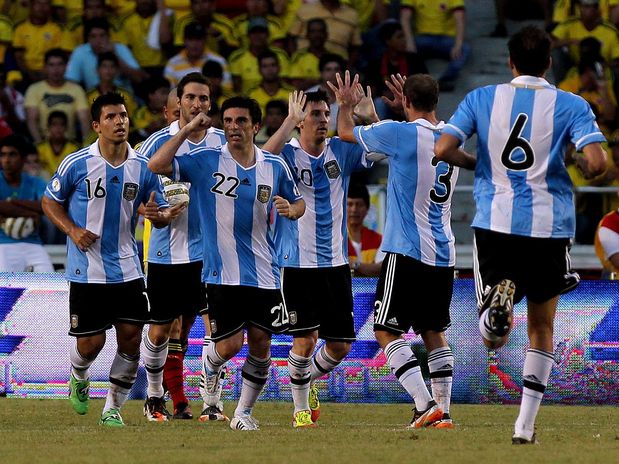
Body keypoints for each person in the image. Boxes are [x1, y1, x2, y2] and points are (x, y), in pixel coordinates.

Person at [434, 25, 607, 443]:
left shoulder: (481, 97)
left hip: (496, 221)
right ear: (550, 62)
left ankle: (494, 316)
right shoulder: (571, 104)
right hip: (549, 225)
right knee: (542, 327)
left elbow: (442, 149)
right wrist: (580, 165)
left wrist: (481, 163)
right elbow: (598, 163)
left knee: (493, 340)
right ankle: (524, 427)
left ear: (510, 62)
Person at [148, 96, 305, 431]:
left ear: (256, 126)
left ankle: (243, 413)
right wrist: (187, 128)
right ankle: (210, 365)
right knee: (230, 345)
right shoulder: (205, 160)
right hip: (220, 272)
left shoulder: (273, 166)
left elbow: (299, 201)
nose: (234, 127)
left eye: (242, 121)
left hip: (265, 271)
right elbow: (156, 165)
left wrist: (292, 211)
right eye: (229, 121)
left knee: (262, 343)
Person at [41, 92, 183, 427]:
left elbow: (161, 213)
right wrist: (73, 230)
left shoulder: (142, 167)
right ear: (96, 125)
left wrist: (157, 214)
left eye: (123, 115)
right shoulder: (77, 163)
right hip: (87, 269)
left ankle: (112, 409)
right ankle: (79, 374)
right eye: (111, 117)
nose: (119, 122)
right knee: (91, 344)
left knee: (131, 336)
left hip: (128, 269)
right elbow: (49, 202)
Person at [334, 71, 457, 429]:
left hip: (406, 250)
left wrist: (345, 105)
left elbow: (345, 133)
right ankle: (444, 412)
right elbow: (405, 146)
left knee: (386, 330)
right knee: (434, 331)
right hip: (443, 252)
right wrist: (387, 115)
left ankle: (424, 404)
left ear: (405, 102)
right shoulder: (450, 136)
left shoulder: (401, 132)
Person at [263, 89, 372, 427]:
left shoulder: (341, 150)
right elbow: (260, 160)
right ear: (301, 121)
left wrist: (366, 118)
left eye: (326, 113)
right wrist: (288, 123)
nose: (323, 119)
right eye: (315, 114)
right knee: (305, 339)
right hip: (296, 263)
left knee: (340, 345)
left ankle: (304, 380)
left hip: (336, 265)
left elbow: (384, 150)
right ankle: (300, 410)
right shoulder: (286, 156)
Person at [138, 72, 227, 422]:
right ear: (178, 103)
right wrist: (149, 212)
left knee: (212, 330)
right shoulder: (154, 145)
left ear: (210, 103)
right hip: (164, 252)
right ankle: (155, 394)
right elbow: (136, 197)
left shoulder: (222, 143)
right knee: (162, 331)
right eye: (190, 97)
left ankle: (211, 403)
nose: (197, 104)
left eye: (204, 98)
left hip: (210, 254)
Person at [0, 135, 53, 272]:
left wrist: (12, 202)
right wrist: (30, 212)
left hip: (33, 242)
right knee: (7, 291)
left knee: (51, 289)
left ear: (23, 159)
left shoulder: (35, 182)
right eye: (3, 155)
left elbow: (47, 206)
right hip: (3, 243)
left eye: (12, 155)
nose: (6, 160)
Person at [24, 49, 90, 145]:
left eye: (60, 64)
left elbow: (84, 120)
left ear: (66, 66)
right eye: (51, 65)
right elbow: (31, 120)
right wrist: (40, 145)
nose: (56, 69)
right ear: (45, 67)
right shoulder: (34, 89)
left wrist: (85, 146)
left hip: (70, 144)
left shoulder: (76, 89)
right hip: (44, 144)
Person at [346, 182, 384, 277]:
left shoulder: (378, 239)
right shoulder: (336, 240)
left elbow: (381, 269)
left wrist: (354, 265)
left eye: (359, 205)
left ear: (367, 209)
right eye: (350, 204)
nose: (354, 210)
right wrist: (368, 269)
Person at [37, 111, 80, 179]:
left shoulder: (74, 148)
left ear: (66, 128)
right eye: (54, 124)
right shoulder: (40, 148)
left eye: (61, 125)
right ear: (48, 127)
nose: (58, 128)